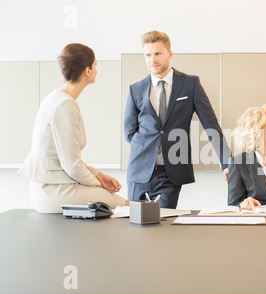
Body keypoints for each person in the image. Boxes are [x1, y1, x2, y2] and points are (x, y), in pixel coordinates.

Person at [124, 30, 231, 208]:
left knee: (164, 224)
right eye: (148, 55)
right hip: (139, 172)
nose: (153, 59)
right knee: (137, 227)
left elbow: (211, 125)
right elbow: (129, 132)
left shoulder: (190, 84)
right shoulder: (135, 89)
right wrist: (146, 147)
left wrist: (227, 162)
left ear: (169, 54)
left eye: (158, 53)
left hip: (171, 172)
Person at [18, 43, 128, 213]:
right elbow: (72, 166)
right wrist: (100, 185)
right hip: (53, 192)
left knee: (114, 200)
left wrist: (99, 175)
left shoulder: (54, 98)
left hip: (46, 187)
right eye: (95, 65)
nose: (97, 70)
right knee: (123, 204)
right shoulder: (66, 104)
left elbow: (66, 159)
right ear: (88, 70)